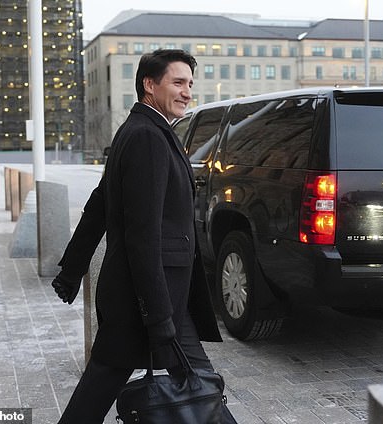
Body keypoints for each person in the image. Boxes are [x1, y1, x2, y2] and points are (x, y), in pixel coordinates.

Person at [52, 49, 233, 423]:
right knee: (109, 381)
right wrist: (158, 316)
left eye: (190, 84)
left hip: (159, 296)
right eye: (178, 83)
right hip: (149, 298)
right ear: (149, 85)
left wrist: (72, 269)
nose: (187, 92)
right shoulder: (147, 136)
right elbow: (142, 234)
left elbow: (99, 205)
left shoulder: (142, 131)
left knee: (198, 382)